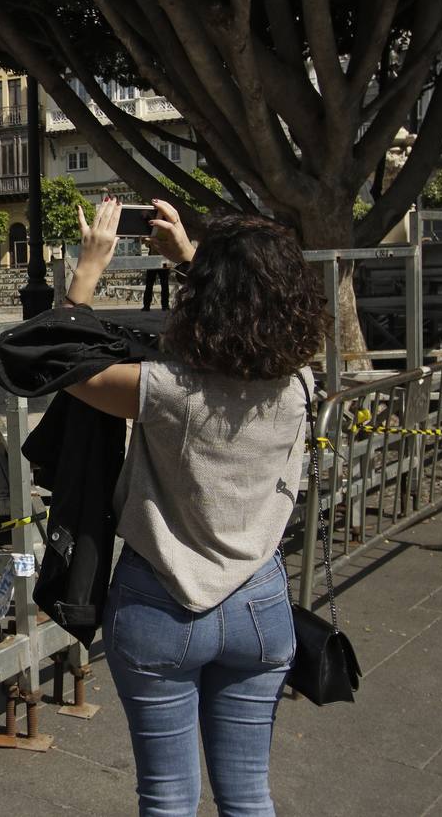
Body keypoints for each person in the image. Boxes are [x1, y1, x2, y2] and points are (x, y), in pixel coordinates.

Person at [61, 197, 328, 816]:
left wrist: (90, 266)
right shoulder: (301, 386)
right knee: (248, 795)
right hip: (259, 606)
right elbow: (250, 311)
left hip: (161, 605)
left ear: (205, 299)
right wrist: (188, 257)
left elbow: (57, 356)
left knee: (168, 800)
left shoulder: (162, 391)